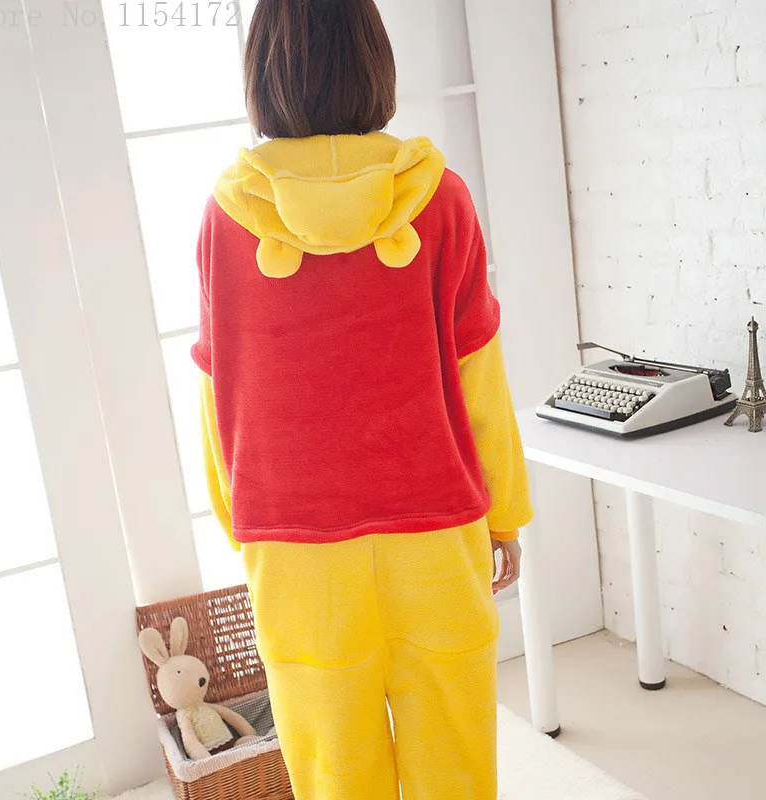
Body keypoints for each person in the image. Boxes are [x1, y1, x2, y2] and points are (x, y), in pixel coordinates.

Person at [192, 1, 532, 798]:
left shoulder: (226, 217)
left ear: (263, 71)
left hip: (296, 550)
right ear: (374, 60)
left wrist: (239, 519)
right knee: (454, 758)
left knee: (334, 772)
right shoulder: (440, 198)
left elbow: (219, 392)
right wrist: (505, 515)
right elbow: (480, 377)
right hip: (435, 533)